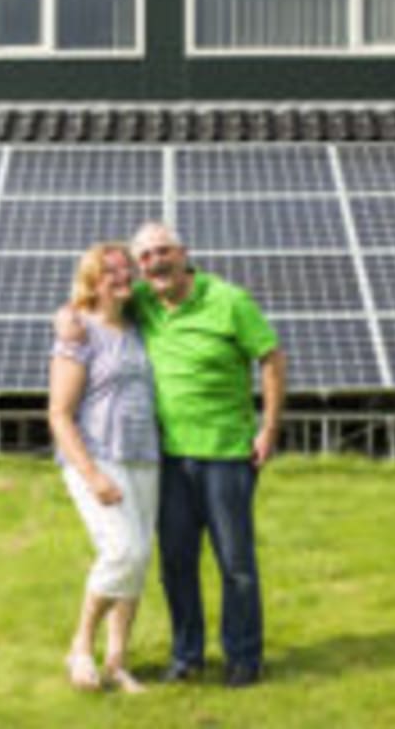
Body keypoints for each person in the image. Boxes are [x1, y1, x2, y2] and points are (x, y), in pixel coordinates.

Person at [58, 221, 287, 688]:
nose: (153, 263)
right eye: (144, 257)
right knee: (175, 563)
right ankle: (187, 657)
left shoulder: (229, 300)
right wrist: (65, 316)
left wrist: (269, 426)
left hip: (226, 453)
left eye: (162, 251)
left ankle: (244, 658)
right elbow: (91, 302)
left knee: (235, 562)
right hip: (166, 459)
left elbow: (271, 357)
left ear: (184, 253)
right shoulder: (143, 302)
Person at [47, 241, 160, 693]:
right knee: (122, 551)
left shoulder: (138, 327)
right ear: (93, 281)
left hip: (145, 457)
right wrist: (92, 474)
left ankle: (117, 661)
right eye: (111, 271)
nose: (123, 276)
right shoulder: (78, 333)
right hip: (98, 457)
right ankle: (80, 646)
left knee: (138, 560)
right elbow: (58, 412)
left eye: (126, 268)